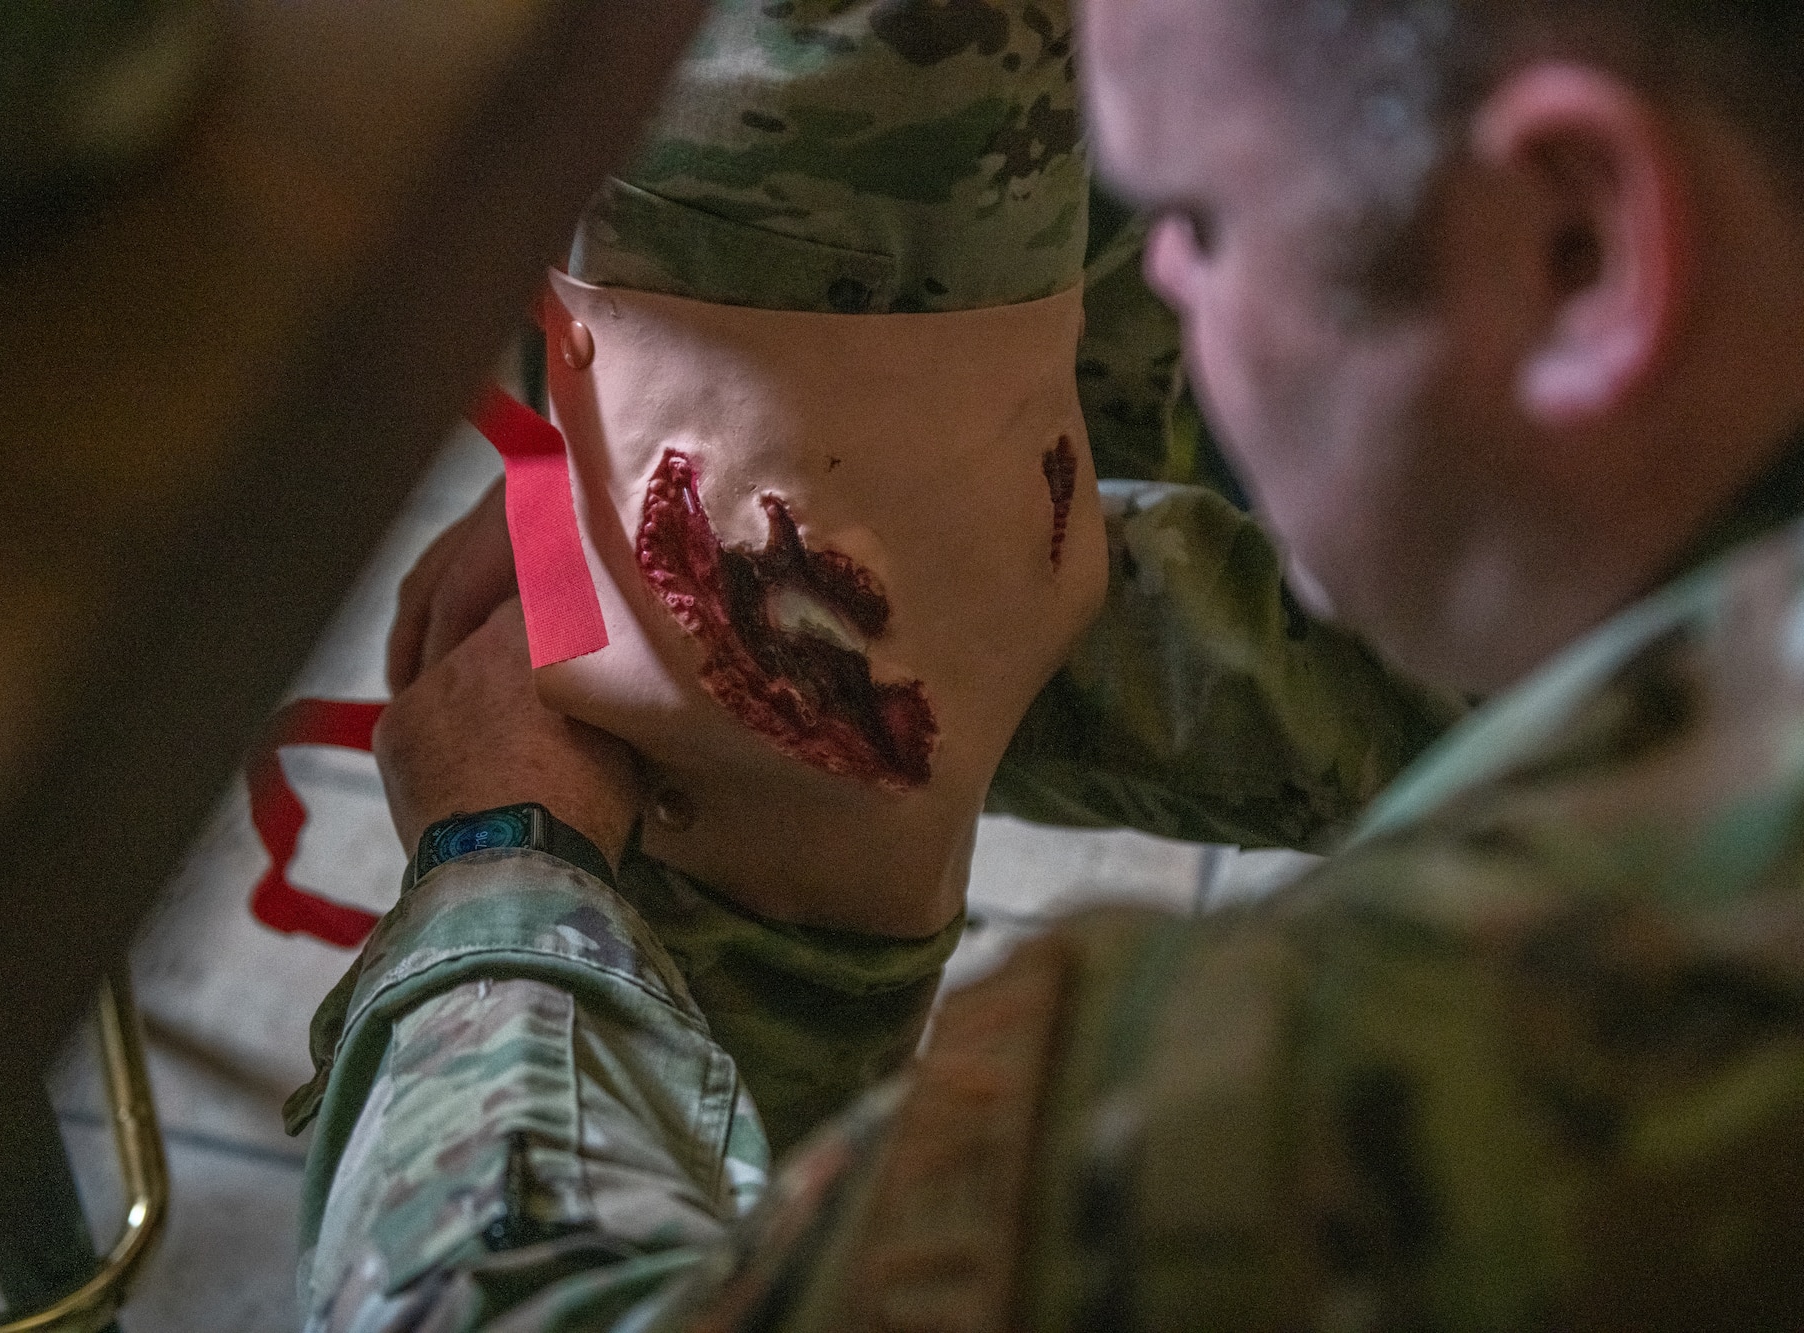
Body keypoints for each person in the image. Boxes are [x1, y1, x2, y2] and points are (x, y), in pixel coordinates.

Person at [297, 0, 1804, 1324]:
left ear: (1581, 243)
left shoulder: (1427, 1058)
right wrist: (859, 586)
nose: (1167, 290)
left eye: (1206, 221)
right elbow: (1459, 684)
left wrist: (503, 868)